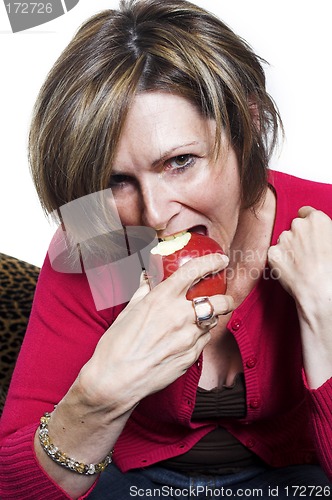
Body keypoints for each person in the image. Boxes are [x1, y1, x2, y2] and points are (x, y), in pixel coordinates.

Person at [0, 0, 331, 498]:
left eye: (180, 161)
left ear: (248, 124)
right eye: (117, 180)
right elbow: (13, 484)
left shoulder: (322, 223)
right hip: (132, 481)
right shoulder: (99, 240)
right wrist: (101, 395)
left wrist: (324, 315)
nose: (153, 214)